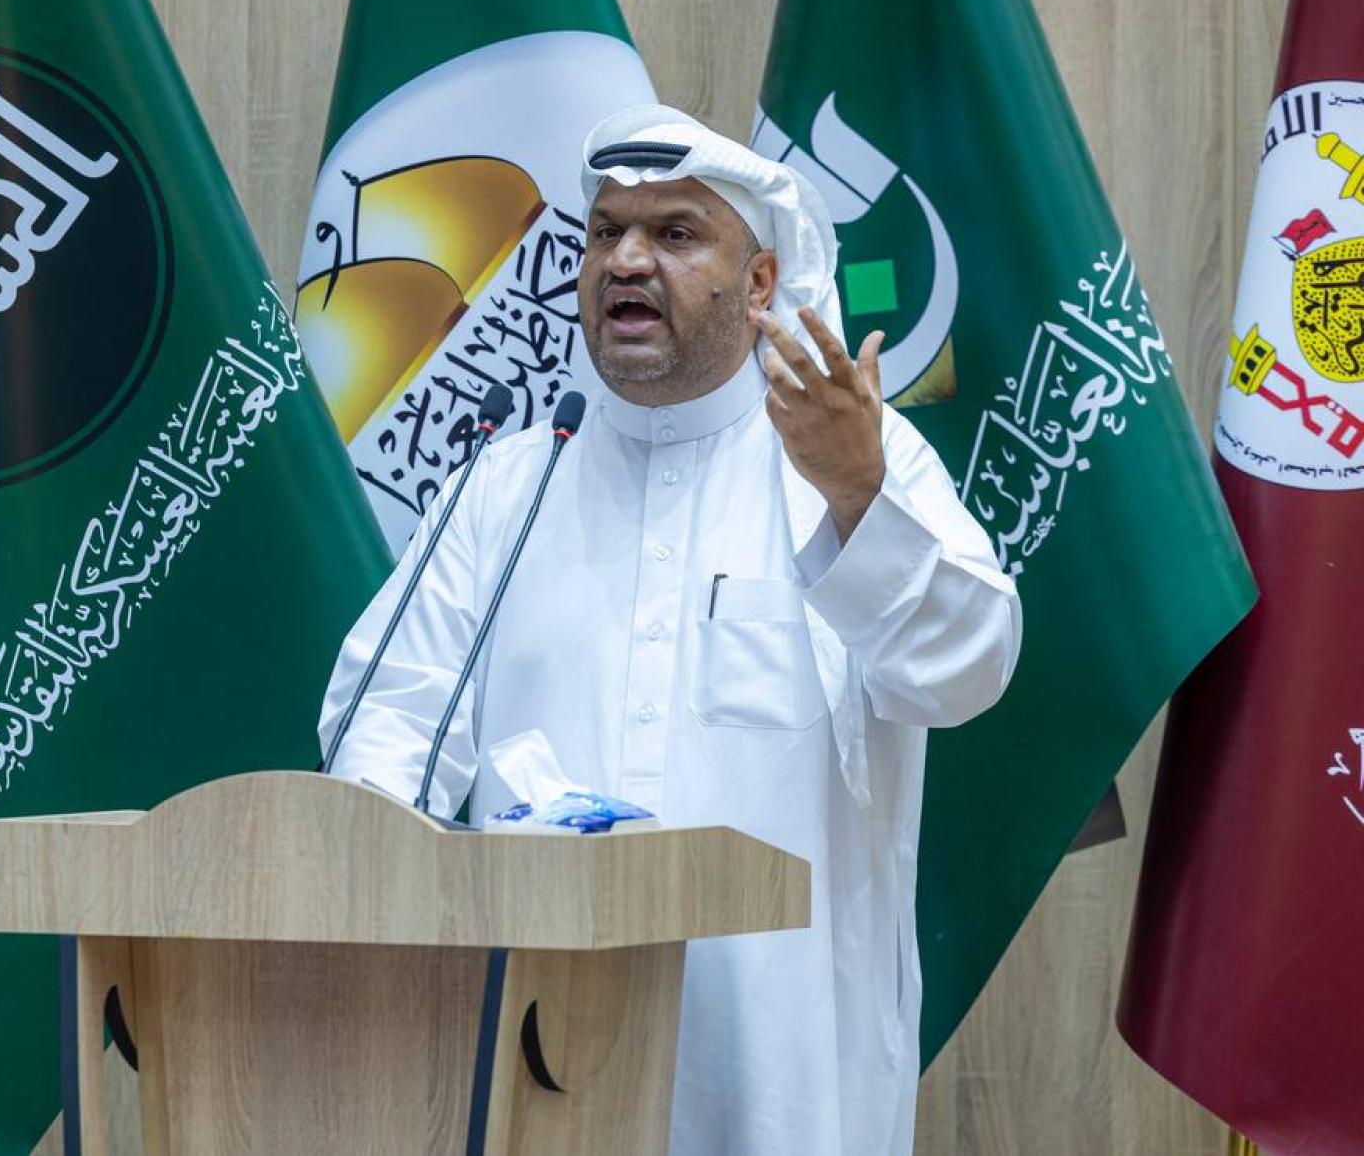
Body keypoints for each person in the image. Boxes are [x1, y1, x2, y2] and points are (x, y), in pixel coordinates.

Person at [318, 103, 1023, 1154]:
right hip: (536, 1066)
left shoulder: (853, 467)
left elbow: (966, 673)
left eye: (675, 233)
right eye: (606, 233)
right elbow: (385, 726)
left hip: (779, 1079)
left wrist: (856, 496)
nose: (626, 261)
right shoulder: (512, 483)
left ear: (759, 284)